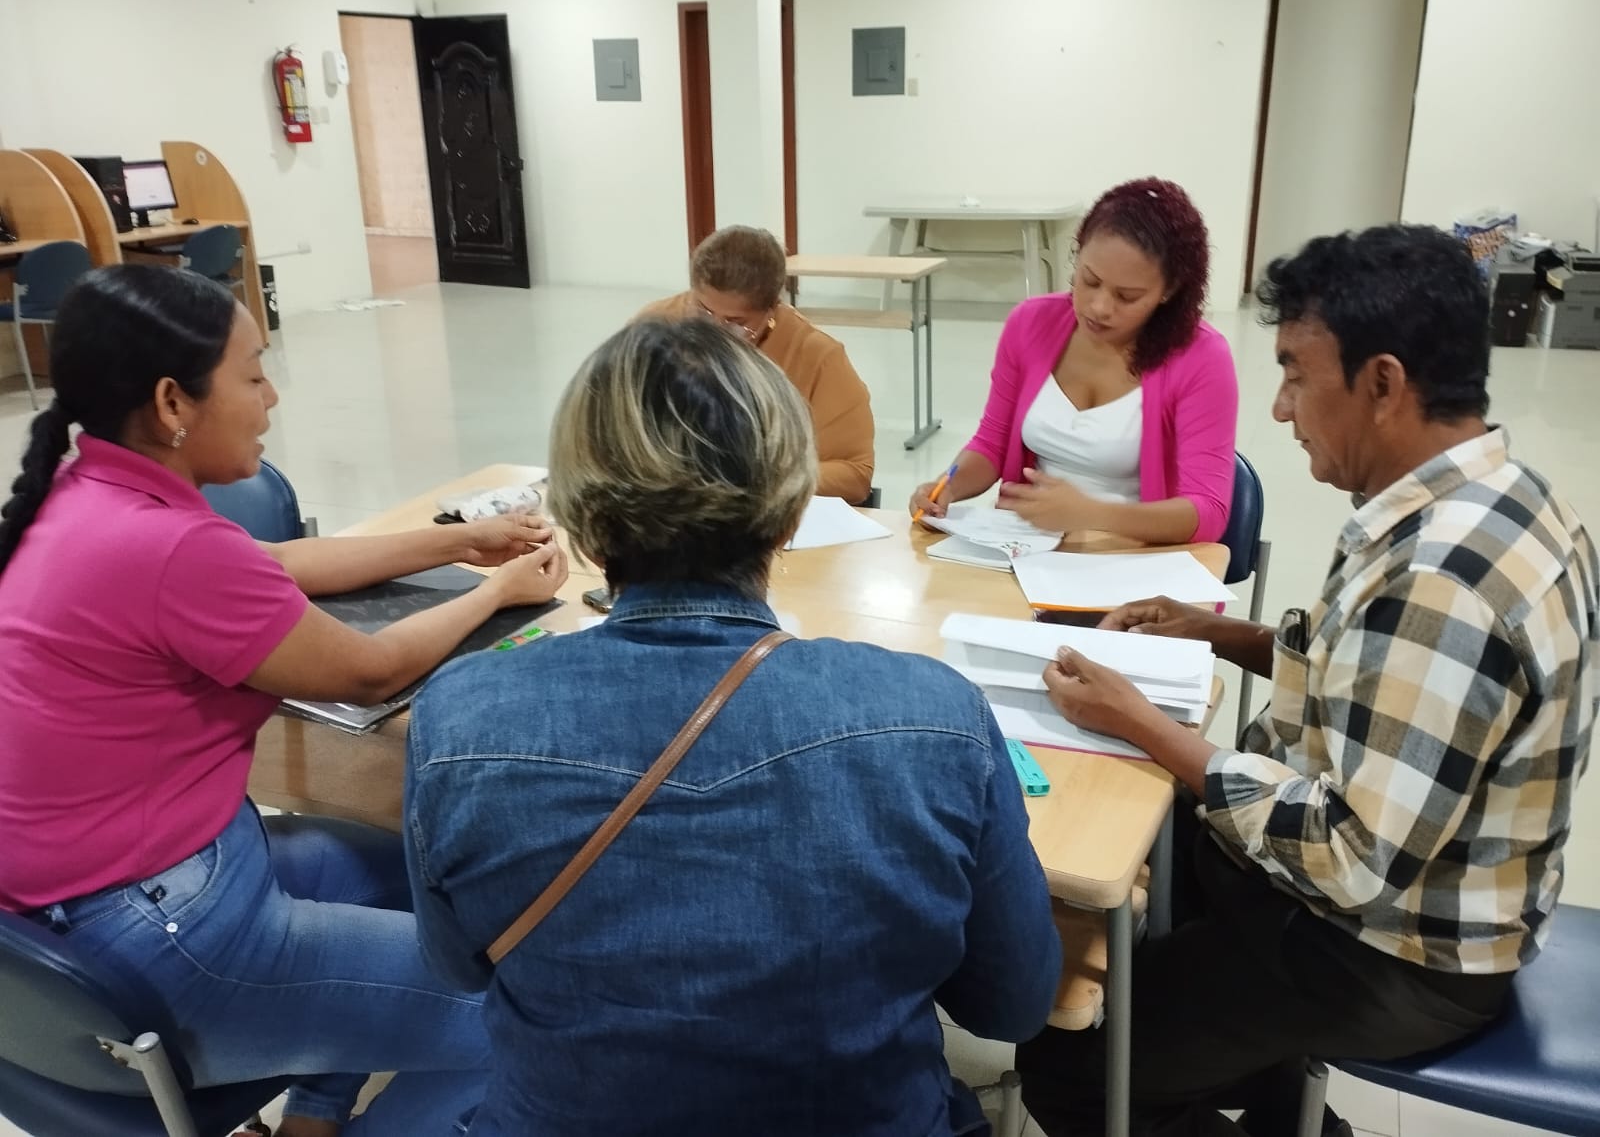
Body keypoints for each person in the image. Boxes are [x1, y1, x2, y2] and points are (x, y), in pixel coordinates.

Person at [404, 315, 1060, 1136]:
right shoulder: (937, 719)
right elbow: (1013, 1004)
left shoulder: (459, 719)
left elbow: (459, 968)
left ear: (584, 523)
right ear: (788, 516)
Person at [1015, 224, 1599, 1137]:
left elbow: (1351, 858)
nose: (1282, 409)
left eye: (1295, 374)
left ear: (1383, 384)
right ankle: (1275, 1098)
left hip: (1394, 953)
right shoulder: (1492, 495)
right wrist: (1219, 631)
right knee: (1139, 854)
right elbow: (1367, 677)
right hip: (1389, 896)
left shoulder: (1444, 579)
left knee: (1071, 1063)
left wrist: (1144, 724)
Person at [0, 266, 570, 1137]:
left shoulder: (84, 497)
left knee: (417, 878)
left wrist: (463, 540)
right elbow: (369, 671)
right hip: (163, 936)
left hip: (69, 919)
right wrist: (498, 592)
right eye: (254, 374)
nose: (271, 398)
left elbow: (280, 564)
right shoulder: (168, 548)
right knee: (537, 1016)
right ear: (173, 402)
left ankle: (313, 1113)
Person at [909, 178, 1237, 544]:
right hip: (1027, 546)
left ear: (1169, 291)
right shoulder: (1031, 324)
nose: (1099, 307)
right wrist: (947, 487)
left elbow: (1208, 511)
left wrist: (1090, 513)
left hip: (1135, 556)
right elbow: (992, 444)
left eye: (1127, 296)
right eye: (1090, 281)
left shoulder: (1201, 357)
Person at [641, 224, 876, 502]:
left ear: (772, 309)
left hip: (763, 510)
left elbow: (854, 475)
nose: (714, 332)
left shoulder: (817, 357)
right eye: (703, 312)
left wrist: (755, 480)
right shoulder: (652, 328)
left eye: (735, 322)